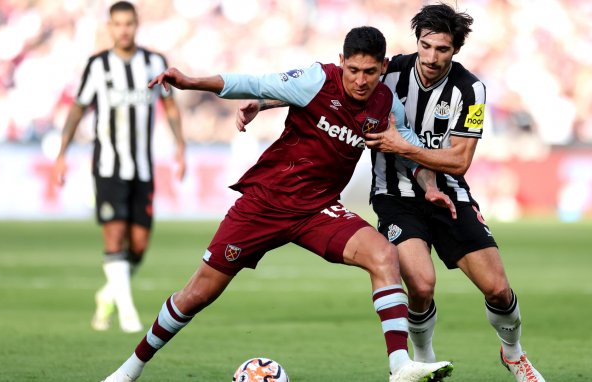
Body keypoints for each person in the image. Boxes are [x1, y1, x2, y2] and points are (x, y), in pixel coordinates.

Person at [101, 26, 455, 382]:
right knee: (197, 294)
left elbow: (409, 148)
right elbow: (254, 83)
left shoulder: (385, 106)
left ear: (383, 68)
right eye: (353, 70)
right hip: (265, 203)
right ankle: (130, 369)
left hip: (318, 210)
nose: (361, 81)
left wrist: (429, 186)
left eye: (370, 72)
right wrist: (190, 81)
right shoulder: (316, 80)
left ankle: (399, 366)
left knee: (384, 255)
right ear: (341, 61)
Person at [363, 4, 546, 382]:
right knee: (421, 283)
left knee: (497, 289)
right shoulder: (388, 71)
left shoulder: (471, 90)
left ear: (455, 50)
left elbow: (459, 161)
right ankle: (424, 359)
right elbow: (330, 84)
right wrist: (265, 100)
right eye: (425, 46)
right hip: (394, 197)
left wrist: (402, 146)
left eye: (441, 49)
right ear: (417, 41)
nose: (430, 57)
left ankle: (513, 354)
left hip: (449, 192)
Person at [54, 1, 186, 333]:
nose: (123, 29)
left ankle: (109, 293)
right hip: (108, 167)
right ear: (110, 27)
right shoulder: (97, 66)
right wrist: (61, 153)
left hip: (142, 168)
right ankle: (127, 314)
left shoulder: (154, 62)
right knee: (113, 237)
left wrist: (180, 146)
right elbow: (77, 109)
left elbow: (169, 106)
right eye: (117, 24)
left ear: (136, 25)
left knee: (138, 245)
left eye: (128, 23)